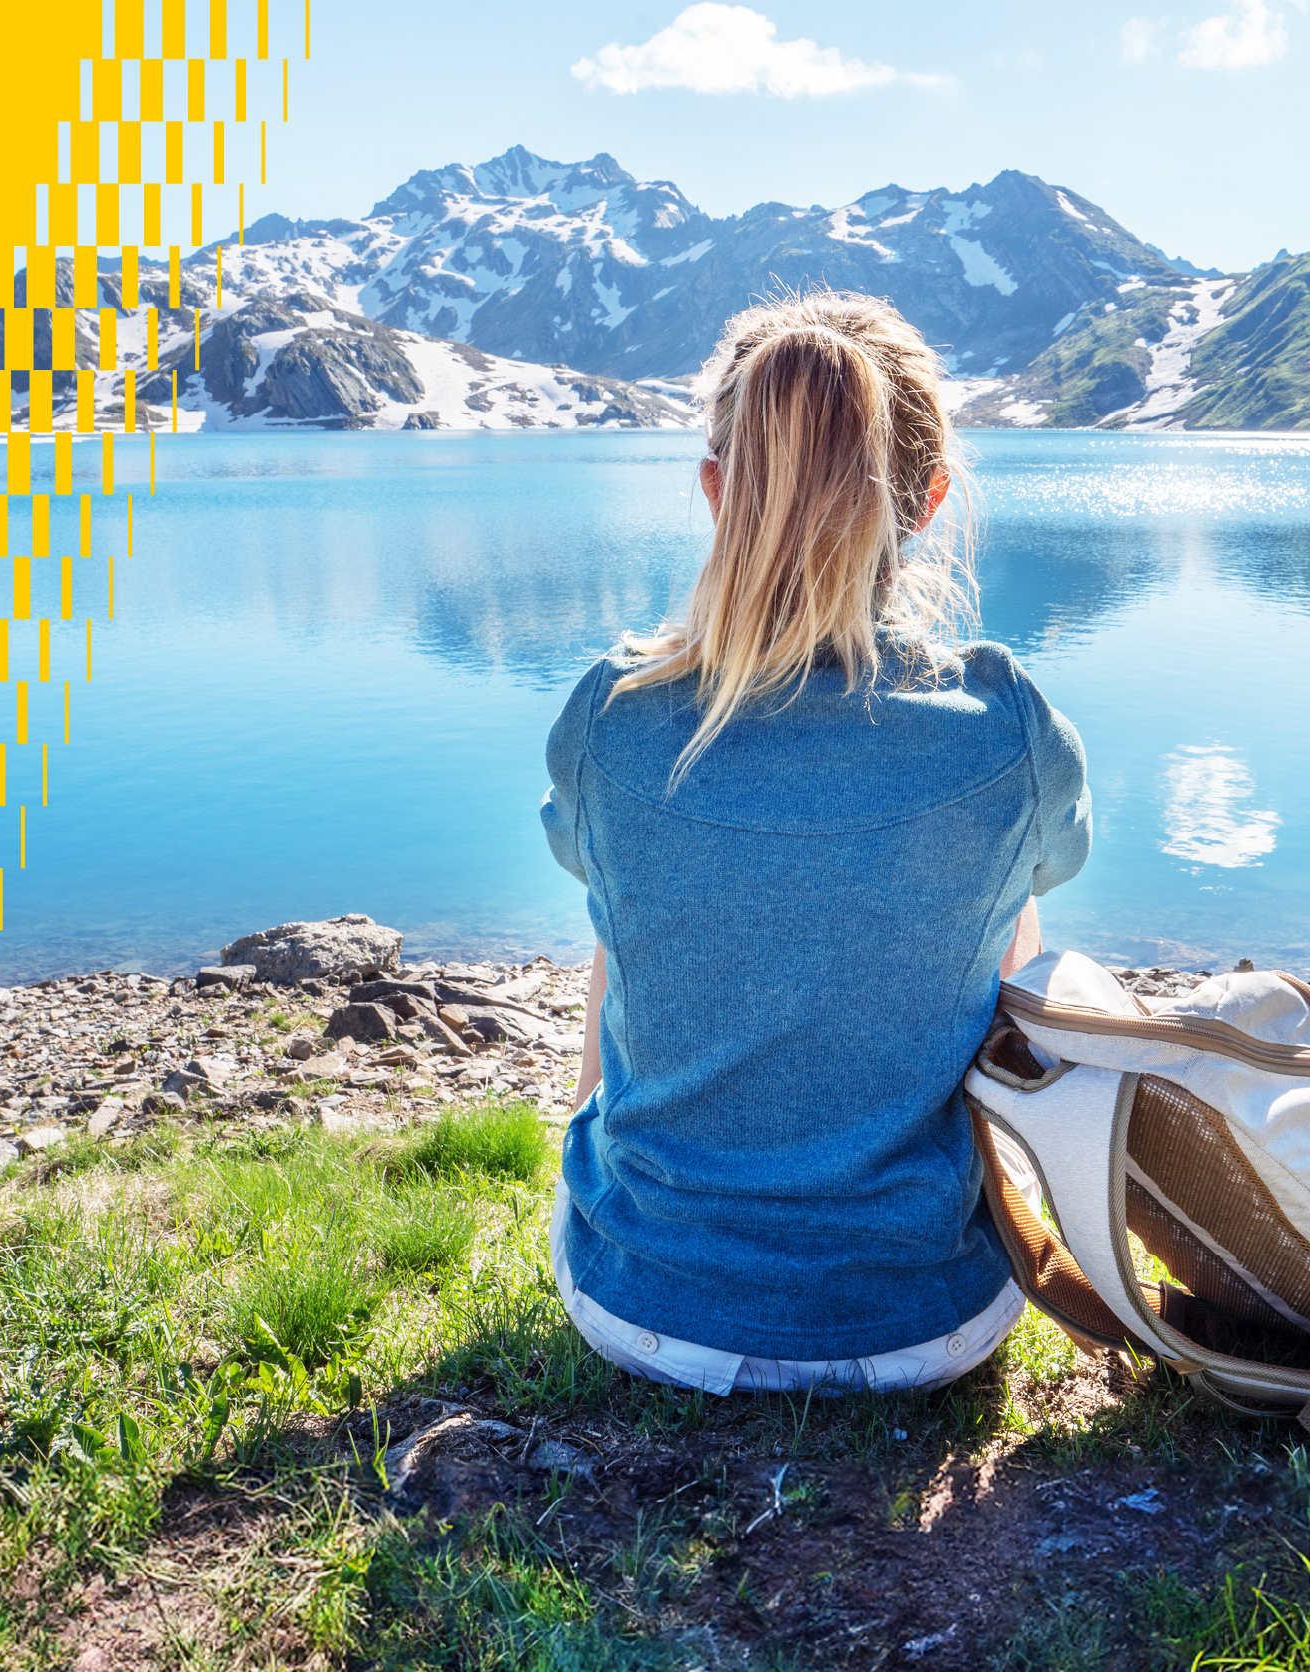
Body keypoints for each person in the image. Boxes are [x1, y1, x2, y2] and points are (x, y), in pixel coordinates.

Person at [537, 290, 1091, 1395]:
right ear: (927, 500)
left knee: (630, 906)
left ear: (712, 493)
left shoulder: (610, 714)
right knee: (1001, 893)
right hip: (929, 1319)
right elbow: (1018, 949)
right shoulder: (1004, 724)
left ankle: (666, 1203)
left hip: (642, 1306)